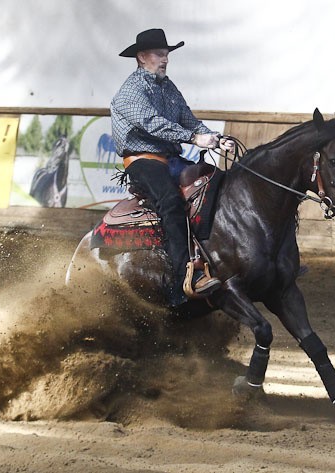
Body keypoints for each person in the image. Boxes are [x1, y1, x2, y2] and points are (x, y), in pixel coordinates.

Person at [111, 28, 234, 308]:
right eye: (159, 54)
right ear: (142, 57)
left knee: (217, 183)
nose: (165, 59)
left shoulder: (168, 87)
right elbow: (152, 122)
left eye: (166, 54)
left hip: (171, 158)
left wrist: (214, 137)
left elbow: (189, 120)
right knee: (169, 201)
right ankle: (182, 279)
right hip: (142, 160)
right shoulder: (130, 91)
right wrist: (194, 138)